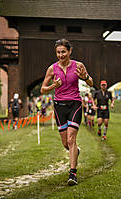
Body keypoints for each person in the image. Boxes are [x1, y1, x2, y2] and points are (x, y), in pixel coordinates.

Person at [40, 38, 93, 186]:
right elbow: (43, 89)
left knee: (71, 139)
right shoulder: (52, 69)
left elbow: (91, 82)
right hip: (59, 106)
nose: (61, 55)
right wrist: (53, 86)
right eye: (58, 52)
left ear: (70, 51)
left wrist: (85, 77)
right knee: (66, 143)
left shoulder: (79, 65)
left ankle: (72, 174)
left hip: (75, 104)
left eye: (63, 51)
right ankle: (75, 151)